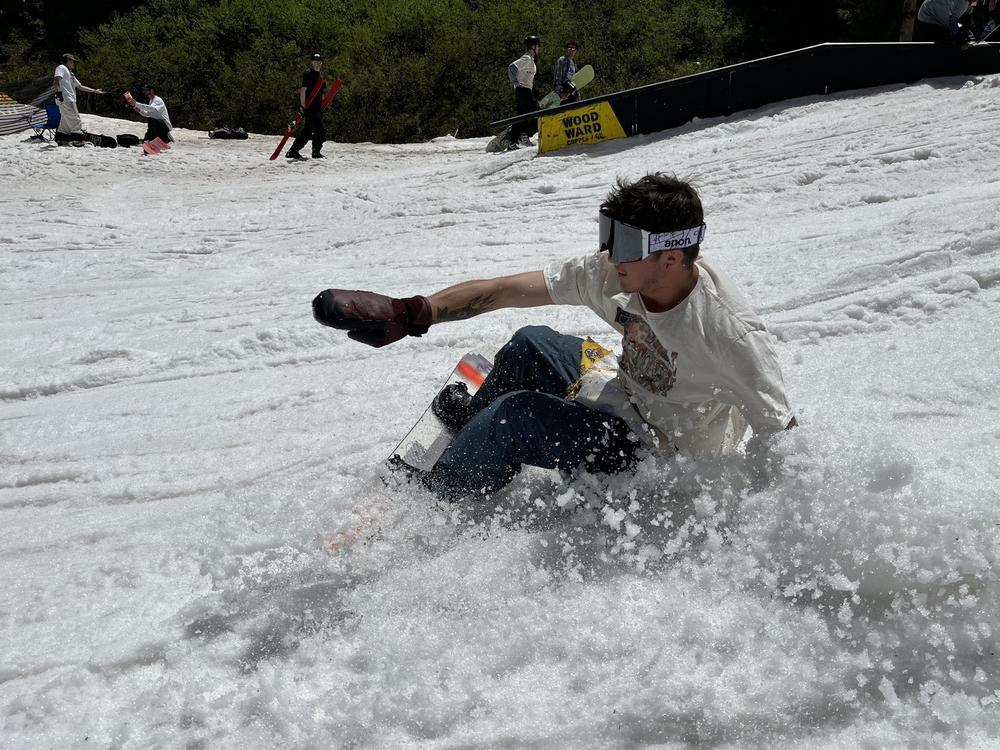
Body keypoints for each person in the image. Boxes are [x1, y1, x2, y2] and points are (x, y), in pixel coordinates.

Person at [312, 174, 797, 499]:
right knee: (530, 341)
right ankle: (472, 427)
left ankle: (438, 495)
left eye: (623, 242)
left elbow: (783, 439)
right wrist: (415, 311)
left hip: (658, 456)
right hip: (628, 395)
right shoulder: (619, 273)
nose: (608, 253)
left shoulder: (729, 334)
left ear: (671, 257)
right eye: (609, 232)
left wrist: (747, 522)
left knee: (516, 417)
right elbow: (504, 291)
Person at [52, 53, 106, 141]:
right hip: (66, 99)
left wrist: (94, 91)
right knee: (76, 120)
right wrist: (58, 93)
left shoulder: (70, 74)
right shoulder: (61, 67)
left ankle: (61, 137)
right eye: (73, 61)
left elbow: (80, 86)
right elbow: (56, 79)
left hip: (66, 99)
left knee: (65, 121)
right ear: (68, 60)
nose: (74, 64)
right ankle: (77, 140)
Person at [287, 53, 326, 160]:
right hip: (310, 108)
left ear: (321, 62)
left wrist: (323, 106)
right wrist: (302, 106)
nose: (317, 63)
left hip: (317, 108)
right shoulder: (308, 73)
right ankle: (316, 152)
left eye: (319, 61)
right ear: (311, 62)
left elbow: (321, 93)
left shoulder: (321, 76)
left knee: (307, 132)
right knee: (320, 132)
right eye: (315, 60)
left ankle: (293, 151)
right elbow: (303, 90)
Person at [506, 35, 542, 149]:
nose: (539, 49)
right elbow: (511, 67)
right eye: (538, 47)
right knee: (538, 113)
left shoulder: (530, 60)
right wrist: (515, 82)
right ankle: (525, 134)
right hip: (523, 90)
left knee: (521, 116)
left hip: (523, 91)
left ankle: (512, 141)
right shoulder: (526, 58)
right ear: (533, 47)